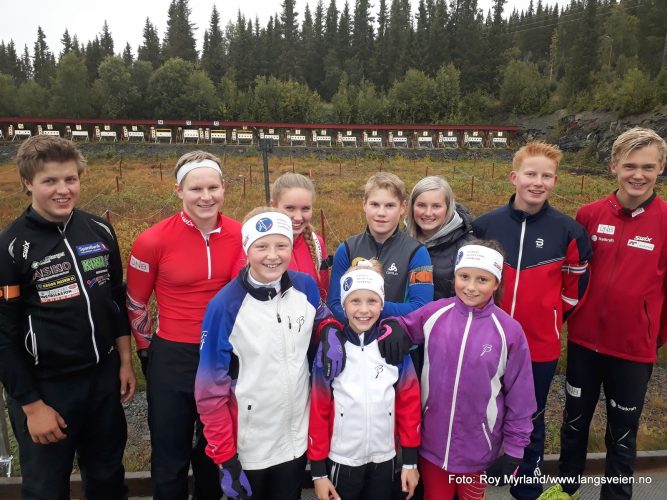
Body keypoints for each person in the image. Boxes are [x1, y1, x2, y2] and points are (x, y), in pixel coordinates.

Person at [0, 135, 135, 500]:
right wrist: (31, 405)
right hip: (46, 388)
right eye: (50, 181)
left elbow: (115, 299)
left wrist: (124, 362)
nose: (63, 190)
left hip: (101, 379)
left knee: (108, 478)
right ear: (28, 183)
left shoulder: (99, 230)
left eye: (70, 179)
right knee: (46, 488)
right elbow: (3, 336)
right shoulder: (10, 247)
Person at [539, 128, 667, 500]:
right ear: (614, 167)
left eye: (647, 166)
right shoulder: (589, 214)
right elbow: (571, 275)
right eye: (629, 166)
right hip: (582, 343)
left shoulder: (664, 220)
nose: (637, 175)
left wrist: (653, 335)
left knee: (622, 433)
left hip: (633, 350)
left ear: (660, 168)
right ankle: (566, 489)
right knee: (573, 424)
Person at [195, 208, 343, 500]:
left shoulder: (306, 286)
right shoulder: (224, 307)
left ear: (292, 245)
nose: (272, 255)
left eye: (281, 245)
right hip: (250, 448)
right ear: (247, 248)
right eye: (261, 246)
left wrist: (329, 328)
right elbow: (209, 393)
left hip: (295, 440)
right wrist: (225, 458)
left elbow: (320, 314)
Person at [472, 142, 592, 500]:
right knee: (483, 411)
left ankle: (526, 489)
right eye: (530, 174)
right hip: (487, 341)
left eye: (546, 176)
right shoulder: (485, 226)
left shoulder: (568, 231)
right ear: (514, 177)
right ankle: (476, 484)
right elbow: (473, 282)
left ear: (555, 181)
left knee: (530, 419)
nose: (537, 182)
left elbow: (574, 290)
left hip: (539, 345)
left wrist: (550, 320)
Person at [126, 151, 244, 499]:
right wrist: (147, 350)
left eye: (213, 187)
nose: (205, 197)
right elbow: (135, 302)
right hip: (173, 353)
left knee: (214, 449)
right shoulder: (152, 239)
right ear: (179, 190)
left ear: (224, 188)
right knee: (169, 453)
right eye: (196, 189)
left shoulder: (241, 234)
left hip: (223, 353)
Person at [379, 241, 536, 500]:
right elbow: (402, 326)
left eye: (482, 279)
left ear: (496, 283)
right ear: (455, 277)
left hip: (478, 451)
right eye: (464, 277)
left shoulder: (509, 331)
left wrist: (515, 449)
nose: (471, 287)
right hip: (432, 446)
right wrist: (391, 327)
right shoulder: (436, 313)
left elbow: (521, 398)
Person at [308, 259, 422, 500]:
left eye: (372, 301)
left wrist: (410, 463)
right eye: (355, 301)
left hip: (385, 456)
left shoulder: (392, 346)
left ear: (382, 303)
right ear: (344, 304)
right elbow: (318, 410)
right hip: (342, 458)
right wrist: (319, 472)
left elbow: (409, 404)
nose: (363, 310)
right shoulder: (332, 350)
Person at [328, 172, 434, 323]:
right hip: (354, 341)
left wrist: (372, 309)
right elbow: (334, 304)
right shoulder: (346, 249)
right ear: (364, 204)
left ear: (403, 207)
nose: (381, 213)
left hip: (398, 342)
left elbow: (422, 307)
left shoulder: (417, 253)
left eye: (390, 206)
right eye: (374, 204)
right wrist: (363, 321)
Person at [405, 175, 473, 300]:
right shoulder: (400, 241)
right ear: (411, 206)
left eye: (436, 206)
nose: (428, 213)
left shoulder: (468, 248)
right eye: (421, 205)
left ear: (448, 208)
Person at [270, 172, 331, 301]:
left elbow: (323, 294)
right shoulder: (257, 244)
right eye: (290, 208)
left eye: (305, 209)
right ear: (273, 206)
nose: (298, 217)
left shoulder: (316, 243)